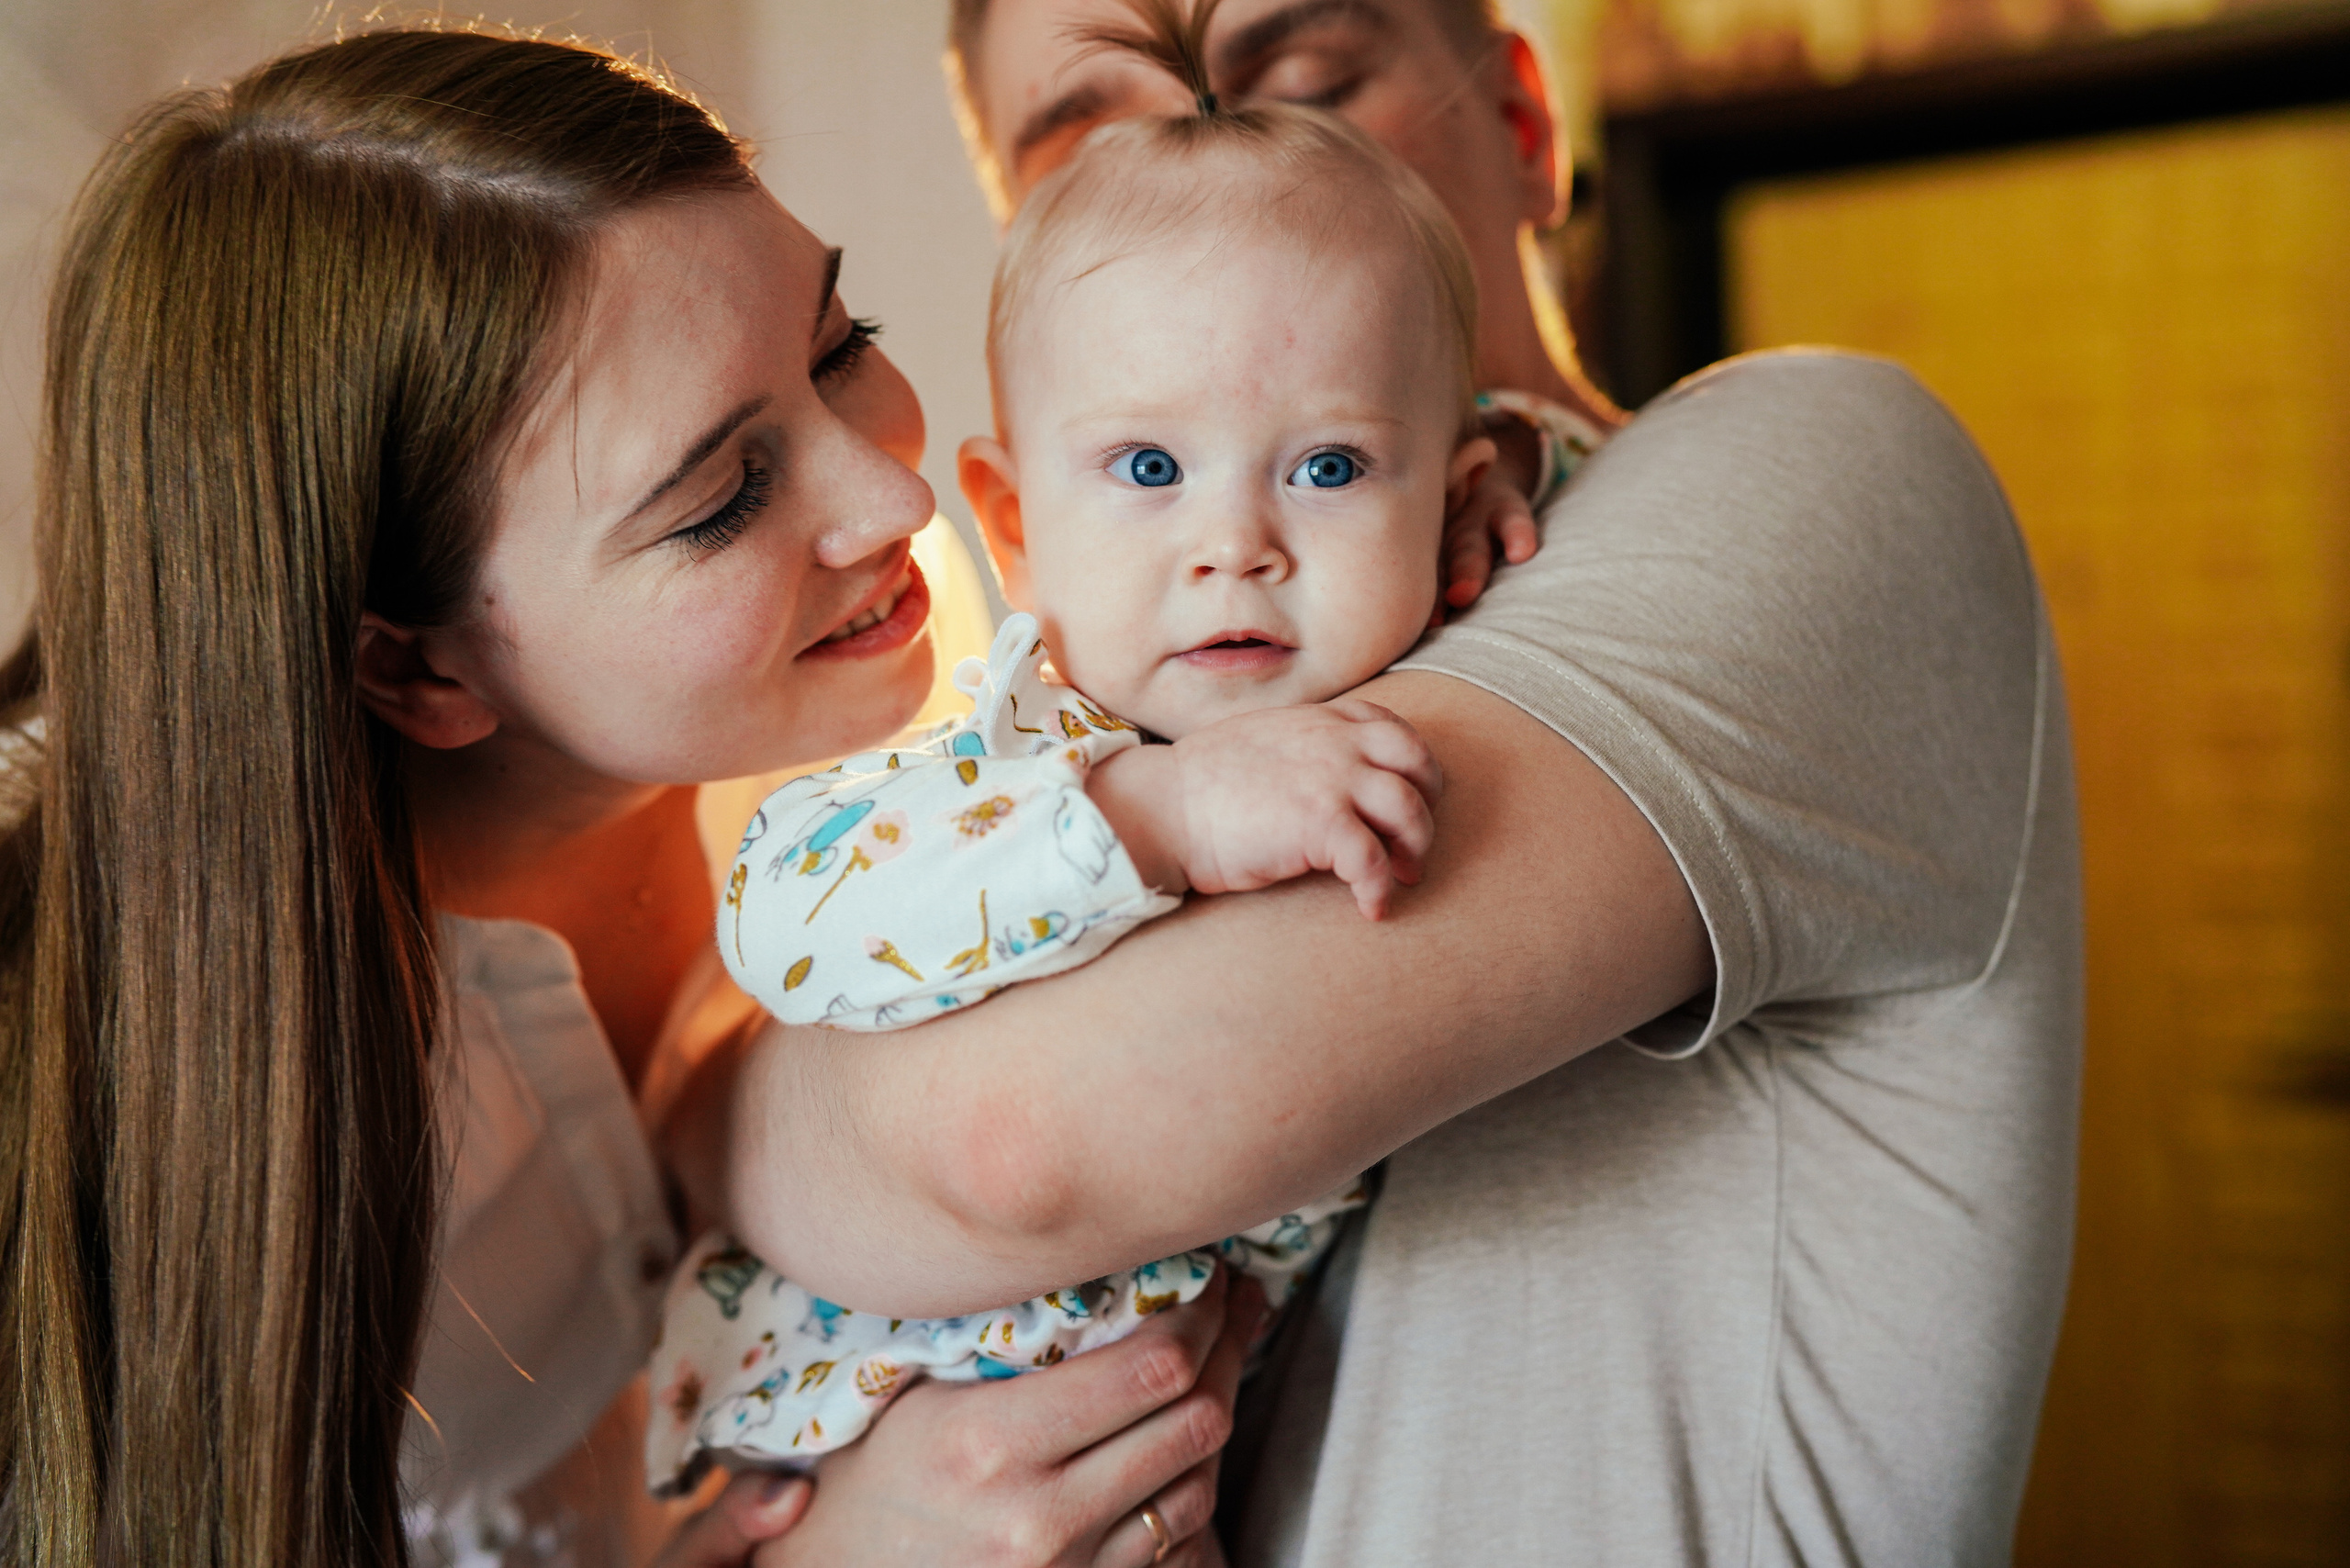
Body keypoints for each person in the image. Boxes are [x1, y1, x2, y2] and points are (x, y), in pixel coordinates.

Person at [679, 1, 2087, 1563]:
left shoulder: (1814, 467)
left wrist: (735, 1101)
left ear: (1528, 124)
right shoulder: (1055, 725)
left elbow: (1016, 1148)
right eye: (1102, 149)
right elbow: (806, 971)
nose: (1220, 186)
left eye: (1300, 87)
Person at [0, 28, 1253, 1568]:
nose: (898, 495)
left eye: (841, 344)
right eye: (724, 499)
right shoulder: (88, 1096)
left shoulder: (866, 708)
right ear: (414, 669)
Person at [650, 35, 1509, 1487]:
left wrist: (1526, 469)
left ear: (1453, 499)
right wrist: (1158, 817)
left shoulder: (1438, 695)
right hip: (859, 1441)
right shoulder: (1024, 753)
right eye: (1151, 470)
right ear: (1014, 526)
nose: (1235, 545)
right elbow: (784, 910)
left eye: (1330, 468)